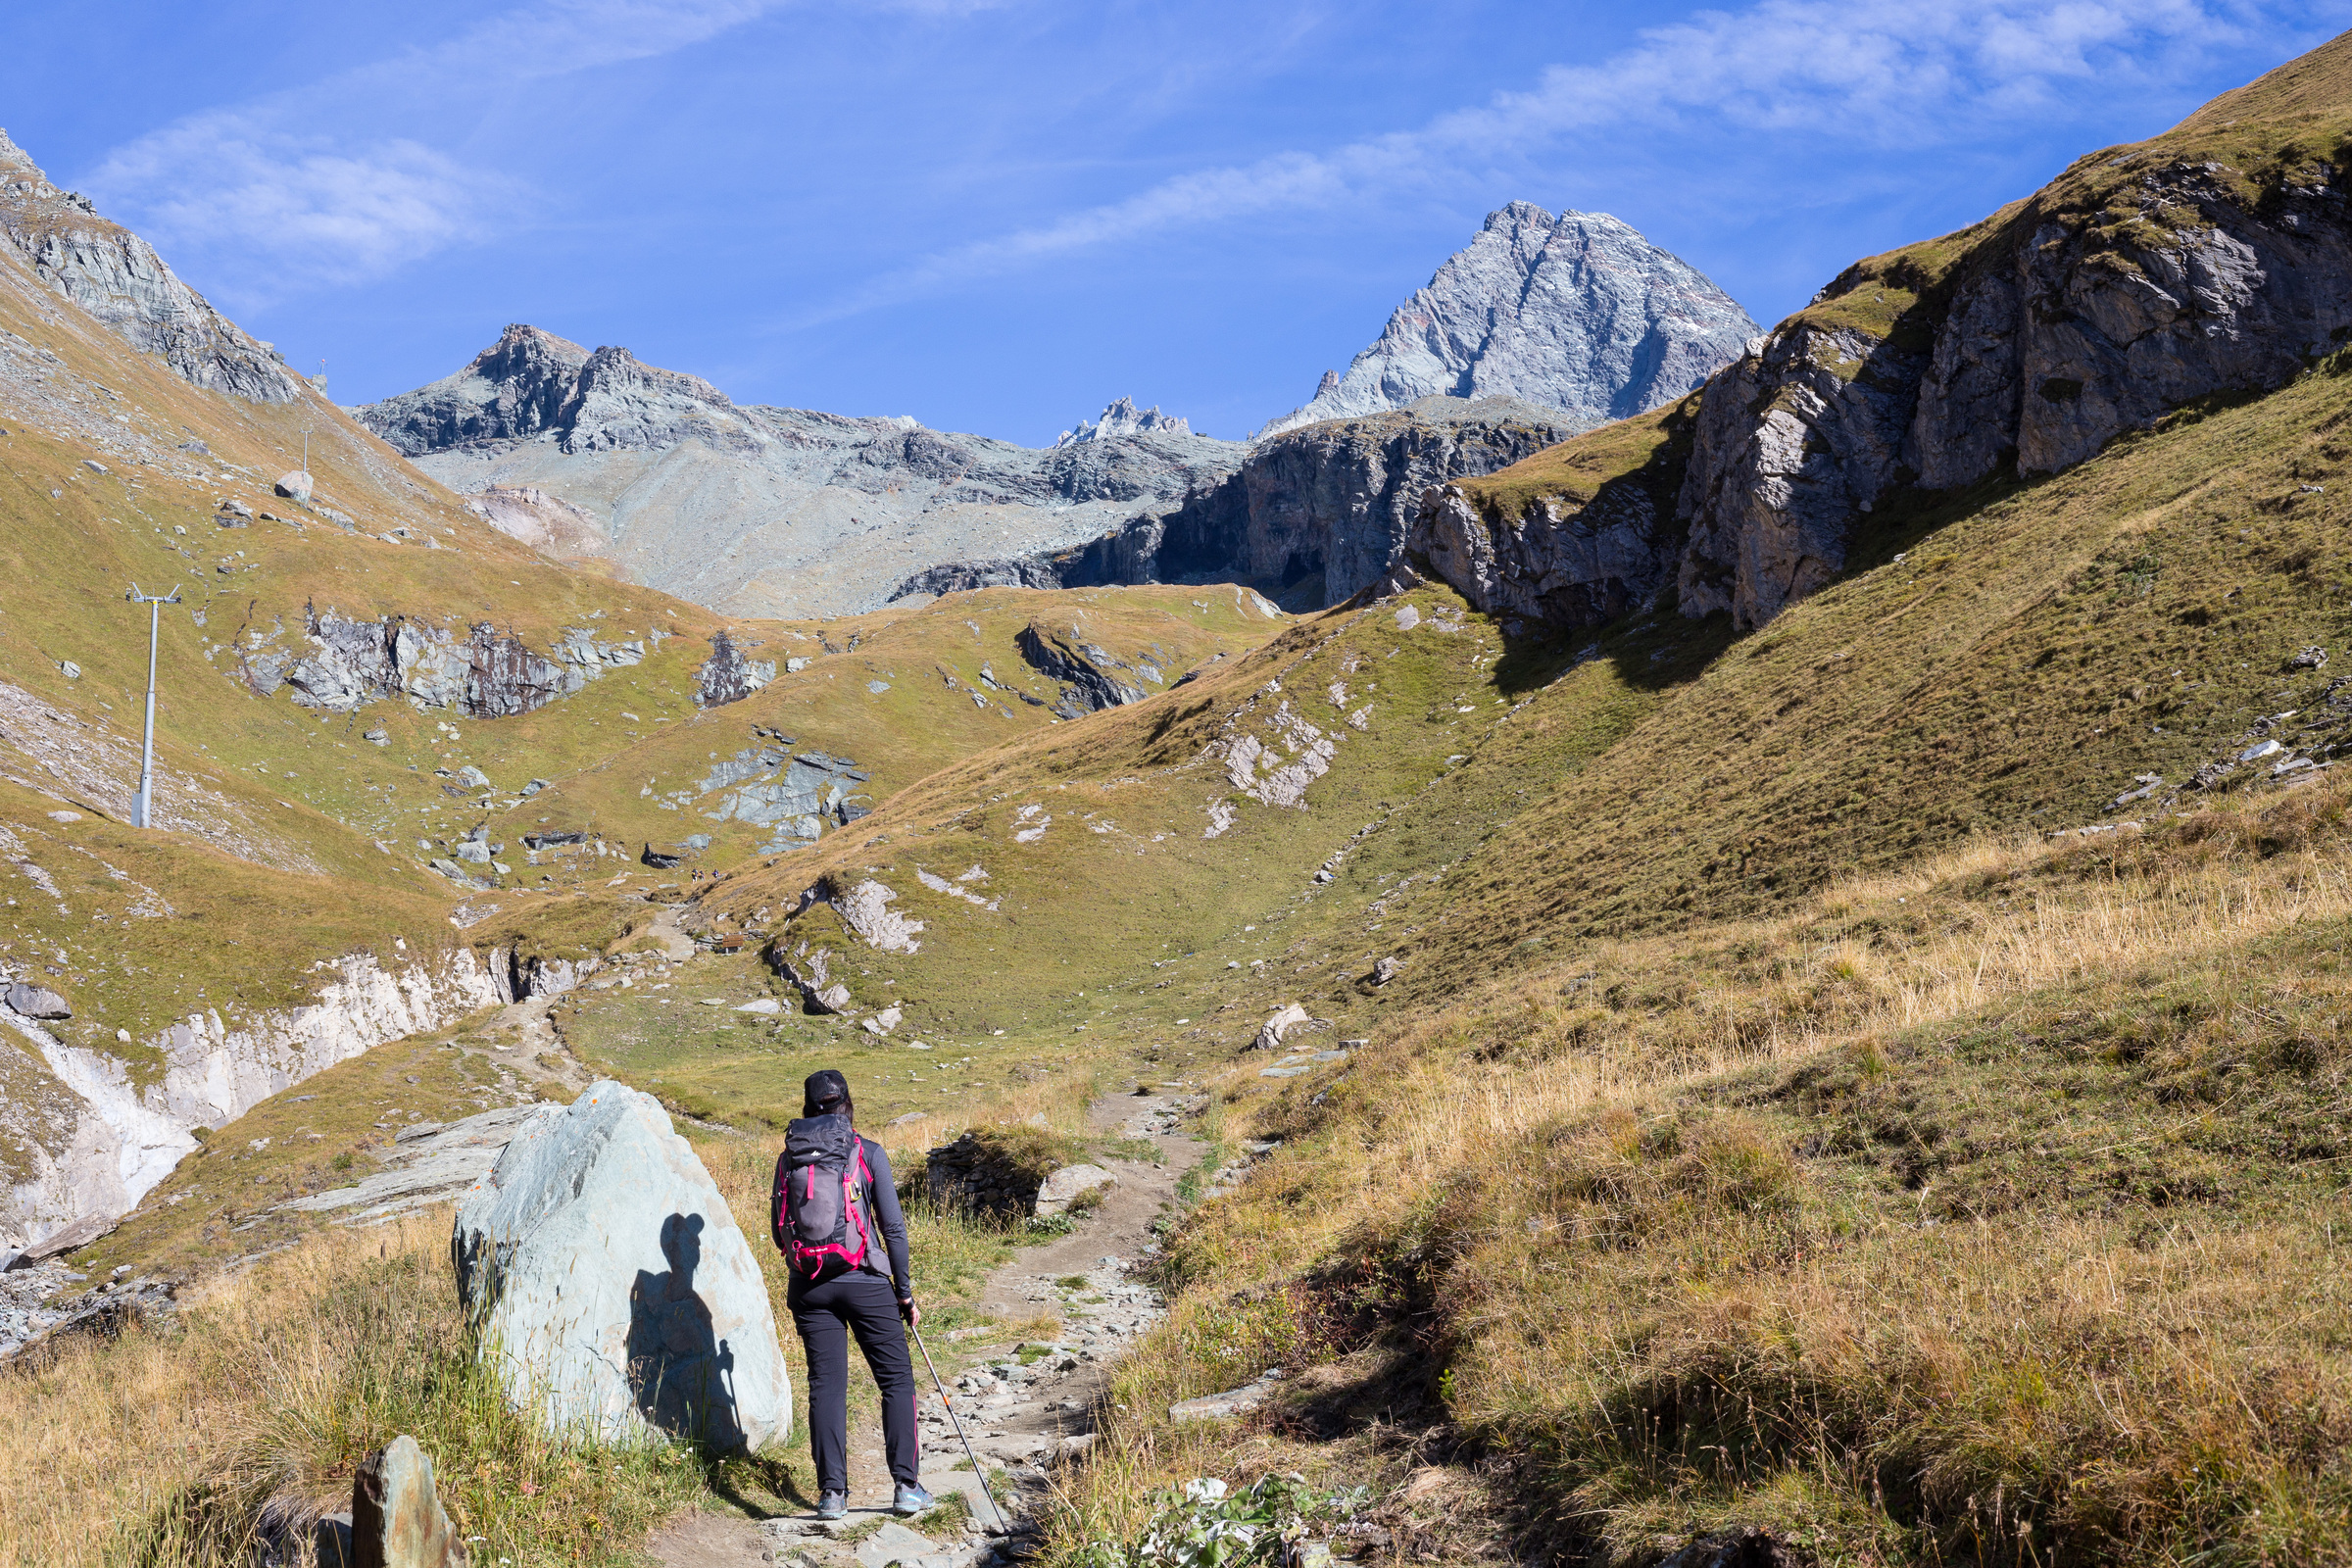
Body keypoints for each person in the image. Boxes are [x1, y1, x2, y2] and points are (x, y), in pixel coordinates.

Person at [779, 1068, 930, 1519]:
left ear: (807, 1107)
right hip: (865, 1282)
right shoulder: (868, 1152)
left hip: (809, 1286)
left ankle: (832, 1496)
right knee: (896, 1380)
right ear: (847, 1102)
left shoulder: (790, 1159)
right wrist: (904, 1293)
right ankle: (906, 1487)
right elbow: (894, 1231)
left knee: (826, 1386)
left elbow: (777, 1230)